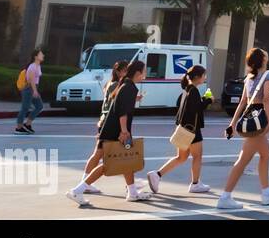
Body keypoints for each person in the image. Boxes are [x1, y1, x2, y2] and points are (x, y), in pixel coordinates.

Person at [66, 60, 150, 205]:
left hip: (114, 129)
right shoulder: (129, 87)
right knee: (108, 164)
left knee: (127, 159)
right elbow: (122, 112)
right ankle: (77, 191)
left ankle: (132, 192)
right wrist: (124, 132)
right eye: (144, 70)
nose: (146, 73)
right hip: (117, 131)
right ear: (138, 73)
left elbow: (118, 107)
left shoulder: (125, 85)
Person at [218, 48, 269, 210]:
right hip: (259, 118)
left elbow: (242, 103)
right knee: (243, 160)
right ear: (262, 59)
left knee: (266, 154)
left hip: (250, 116)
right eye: (265, 54)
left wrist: (232, 124)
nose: (267, 54)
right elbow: (266, 99)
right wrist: (268, 120)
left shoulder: (249, 77)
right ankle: (225, 196)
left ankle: (266, 192)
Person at [147, 65, 212, 195]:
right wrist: (208, 100)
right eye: (204, 75)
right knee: (197, 156)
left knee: (181, 157)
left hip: (184, 128)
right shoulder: (193, 90)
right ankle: (195, 184)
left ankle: (157, 174)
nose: (205, 77)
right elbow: (196, 109)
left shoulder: (187, 89)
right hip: (193, 130)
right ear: (198, 77)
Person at [14, 48, 45, 135]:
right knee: (25, 108)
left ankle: (28, 124)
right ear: (36, 57)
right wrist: (34, 91)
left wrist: (35, 90)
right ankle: (18, 128)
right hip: (28, 89)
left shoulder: (38, 66)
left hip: (33, 88)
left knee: (39, 106)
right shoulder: (32, 66)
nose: (43, 55)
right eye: (41, 54)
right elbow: (31, 80)